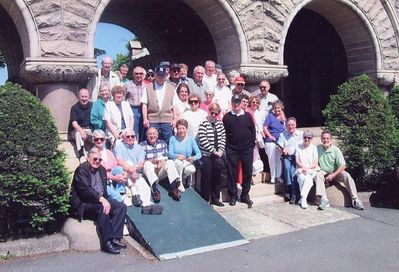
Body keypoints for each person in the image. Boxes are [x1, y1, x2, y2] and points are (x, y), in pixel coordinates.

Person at [70, 148, 127, 255]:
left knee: (120, 206)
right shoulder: (81, 170)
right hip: (84, 203)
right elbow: (85, 190)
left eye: (99, 160)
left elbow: (103, 188)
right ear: (88, 158)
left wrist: (105, 199)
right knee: (102, 208)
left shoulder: (101, 169)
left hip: (100, 199)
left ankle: (115, 238)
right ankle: (107, 242)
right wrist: (102, 200)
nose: (97, 161)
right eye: (94, 159)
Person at [113, 129, 163, 214]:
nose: (130, 138)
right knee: (128, 164)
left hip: (136, 172)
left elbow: (141, 163)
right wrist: (130, 169)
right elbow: (119, 161)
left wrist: (134, 169)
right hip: (124, 172)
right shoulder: (118, 147)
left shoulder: (139, 148)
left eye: (132, 136)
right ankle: (135, 194)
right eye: (128, 136)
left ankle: (146, 206)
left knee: (145, 186)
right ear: (123, 137)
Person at [315, 131, 365, 210]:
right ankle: (324, 199)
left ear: (331, 140)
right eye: (324, 138)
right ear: (321, 140)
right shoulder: (317, 148)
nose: (325, 140)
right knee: (318, 174)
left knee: (347, 176)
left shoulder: (336, 150)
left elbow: (343, 165)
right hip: (324, 172)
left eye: (327, 138)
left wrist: (333, 175)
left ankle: (355, 200)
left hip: (335, 173)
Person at [223, 94, 256, 208]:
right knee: (232, 174)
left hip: (247, 149)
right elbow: (225, 134)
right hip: (232, 150)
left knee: (247, 173)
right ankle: (233, 196)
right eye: (234, 102)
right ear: (231, 103)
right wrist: (227, 148)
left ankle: (245, 195)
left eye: (238, 102)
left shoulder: (247, 116)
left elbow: (253, 131)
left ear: (242, 103)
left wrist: (251, 146)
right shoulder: (227, 117)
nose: (236, 104)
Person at [140, 127, 181, 202]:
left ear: (157, 135)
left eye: (154, 133)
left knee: (170, 162)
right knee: (147, 164)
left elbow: (166, 156)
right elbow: (141, 162)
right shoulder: (142, 145)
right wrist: (153, 161)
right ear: (147, 136)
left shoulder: (162, 143)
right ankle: (155, 190)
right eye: (150, 134)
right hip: (150, 171)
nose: (152, 136)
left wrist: (162, 161)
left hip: (160, 170)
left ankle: (173, 188)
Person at [198, 103, 226, 206]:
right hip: (207, 155)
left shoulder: (219, 123)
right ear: (209, 111)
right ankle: (205, 199)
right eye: (212, 112)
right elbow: (203, 139)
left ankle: (215, 198)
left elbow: (223, 136)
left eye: (216, 113)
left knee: (217, 177)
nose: (214, 115)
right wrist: (213, 151)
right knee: (206, 178)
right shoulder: (203, 123)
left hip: (218, 154)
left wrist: (221, 150)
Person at [141, 66, 178, 143]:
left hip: (167, 119)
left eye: (162, 75)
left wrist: (175, 119)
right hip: (152, 119)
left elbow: (175, 105)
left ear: (165, 76)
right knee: (151, 140)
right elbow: (144, 104)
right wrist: (145, 118)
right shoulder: (148, 87)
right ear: (155, 75)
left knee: (169, 141)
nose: (160, 77)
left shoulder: (171, 88)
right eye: (159, 75)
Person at [168, 119, 202, 195]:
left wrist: (193, 158)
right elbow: (169, 153)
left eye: (183, 128)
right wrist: (177, 156)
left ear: (186, 129)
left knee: (191, 169)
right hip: (176, 162)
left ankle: (182, 178)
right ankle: (179, 183)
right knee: (178, 163)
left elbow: (199, 154)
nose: (181, 130)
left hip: (186, 162)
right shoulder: (172, 139)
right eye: (179, 128)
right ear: (176, 129)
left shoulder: (191, 139)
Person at [92, 129, 127, 202]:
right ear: (93, 141)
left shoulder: (109, 152)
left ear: (105, 140)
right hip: (102, 182)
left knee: (119, 169)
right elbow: (100, 173)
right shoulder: (93, 154)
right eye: (96, 139)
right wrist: (114, 178)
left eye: (101, 139)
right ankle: (118, 197)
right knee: (118, 199)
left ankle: (120, 191)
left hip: (112, 179)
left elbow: (115, 166)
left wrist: (123, 174)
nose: (99, 141)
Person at [277, 117, 303, 203]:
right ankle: (289, 191)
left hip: (298, 158)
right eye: (288, 125)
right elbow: (279, 147)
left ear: (295, 125)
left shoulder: (301, 134)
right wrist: (282, 150)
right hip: (287, 157)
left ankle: (293, 193)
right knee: (288, 168)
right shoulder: (282, 135)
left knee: (293, 172)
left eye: (292, 125)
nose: (290, 127)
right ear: (286, 126)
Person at [263, 100, 286, 183]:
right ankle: (273, 177)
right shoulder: (270, 116)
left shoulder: (283, 118)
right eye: (275, 108)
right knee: (272, 159)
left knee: (279, 160)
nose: (277, 110)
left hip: (279, 142)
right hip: (270, 141)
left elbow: (285, 129)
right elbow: (265, 127)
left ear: (281, 108)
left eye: (278, 108)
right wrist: (270, 136)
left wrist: (283, 120)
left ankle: (278, 176)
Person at [295, 130, 319, 209]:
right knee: (301, 178)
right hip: (301, 168)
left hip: (311, 169)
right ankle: (303, 199)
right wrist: (303, 167)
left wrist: (307, 168)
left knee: (308, 178)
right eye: (305, 137)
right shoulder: (298, 147)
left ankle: (303, 198)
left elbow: (315, 163)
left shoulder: (314, 147)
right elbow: (297, 161)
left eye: (309, 138)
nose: (307, 139)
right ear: (303, 138)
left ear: (311, 138)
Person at [68, 88, 93, 162]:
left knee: (99, 134)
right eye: (82, 97)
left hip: (90, 130)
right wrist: (81, 131)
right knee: (78, 133)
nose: (84, 99)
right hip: (78, 129)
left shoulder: (93, 105)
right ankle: (81, 155)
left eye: (86, 97)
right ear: (78, 97)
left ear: (89, 97)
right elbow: (74, 123)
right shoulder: (74, 108)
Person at [125, 66, 147, 142]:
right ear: (134, 74)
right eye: (136, 74)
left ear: (143, 74)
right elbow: (123, 98)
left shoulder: (146, 86)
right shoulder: (127, 85)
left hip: (144, 109)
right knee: (134, 130)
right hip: (133, 109)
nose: (138, 75)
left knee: (144, 130)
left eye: (140, 74)